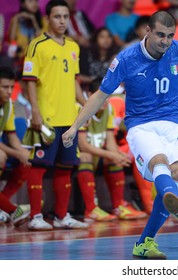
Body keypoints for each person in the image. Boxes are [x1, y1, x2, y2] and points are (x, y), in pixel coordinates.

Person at [62, 11, 178, 259]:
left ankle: (145, 242)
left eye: (169, 36)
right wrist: (74, 127)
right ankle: (175, 197)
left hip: (173, 122)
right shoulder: (126, 58)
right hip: (141, 125)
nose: (165, 41)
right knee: (159, 162)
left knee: (177, 170)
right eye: (159, 35)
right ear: (147, 31)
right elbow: (100, 95)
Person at [22, 0, 88, 231]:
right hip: (46, 120)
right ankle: (34, 217)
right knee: (38, 166)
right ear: (47, 18)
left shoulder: (73, 46)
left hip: (69, 120)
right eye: (57, 16)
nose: (62, 21)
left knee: (65, 167)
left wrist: (87, 105)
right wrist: (36, 114)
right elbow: (29, 83)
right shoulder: (37, 45)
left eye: (65, 16)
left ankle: (62, 216)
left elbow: (74, 83)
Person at [76, 78, 147, 222]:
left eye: (106, 96)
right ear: (89, 94)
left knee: (116, 157)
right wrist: (110, 153)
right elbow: (83, 146)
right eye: (101, 96)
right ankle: (91, 209)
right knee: (86, 156)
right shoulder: (80, 109)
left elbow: (110, 141)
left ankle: (118, 205)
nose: (104, 100)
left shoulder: (108, 108)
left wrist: (117, 155)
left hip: (97, 154)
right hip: (78, 156)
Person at [0, 65, 30, 226]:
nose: (9, 91)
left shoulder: (9, 105)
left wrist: (22, 152)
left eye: (12, 87)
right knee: (0, 156)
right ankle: (12, 209)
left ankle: (2, 207)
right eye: (5, 87)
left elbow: (12, 136)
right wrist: (16, 153)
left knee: (29, 159)